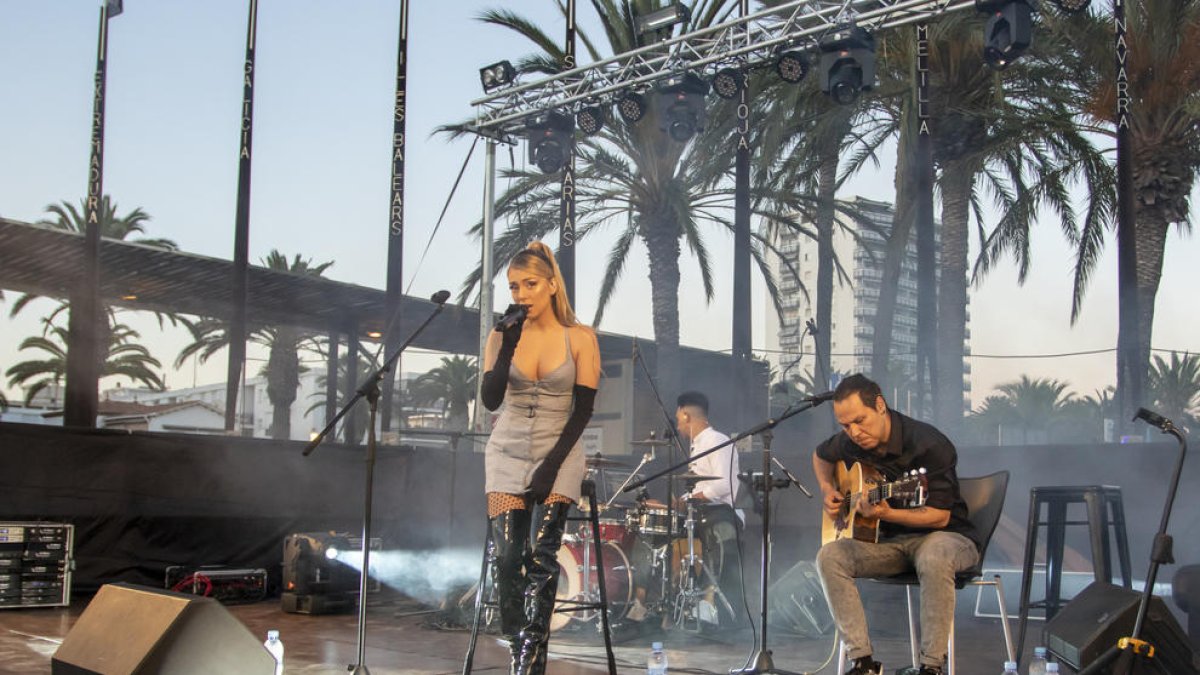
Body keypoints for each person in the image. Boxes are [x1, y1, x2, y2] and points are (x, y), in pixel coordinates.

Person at [480, 241, 601, 675]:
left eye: (530, 284)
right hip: (507, 447)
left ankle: (528, 661)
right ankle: (519, 645)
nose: (521, 294)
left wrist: (551, 465)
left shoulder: (580, 337)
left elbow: (583, 409)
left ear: (551, 285)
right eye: (514, 286)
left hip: (560, 448)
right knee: (509, 557)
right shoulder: (501, 334)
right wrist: (508, 344)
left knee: (542, 554)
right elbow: (491, 400)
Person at [812, 374, 979, 675]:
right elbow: (821, 455)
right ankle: (863, 663)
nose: (854, 432)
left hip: (948, 538)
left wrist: (886, 514)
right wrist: (827, 489)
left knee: (934, 553)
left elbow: (940, 516)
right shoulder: (851, 444)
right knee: (830, 555)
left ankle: (931, 667)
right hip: (891, 546)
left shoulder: (929, 443)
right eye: (845, 426)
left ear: (880, 405)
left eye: (860, 421)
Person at [672, 391, 744, 625]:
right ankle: (663, 603)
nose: (678, 427)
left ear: (685, 415)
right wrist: (680, 502)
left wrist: (694, 498)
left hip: (719, 513)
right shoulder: (697, 446)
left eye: (678, 420)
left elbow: (725, 483)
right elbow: (700, 484)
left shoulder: (716, 440)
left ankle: (710, 604)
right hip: (700, 512)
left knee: (716, 540)